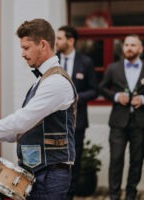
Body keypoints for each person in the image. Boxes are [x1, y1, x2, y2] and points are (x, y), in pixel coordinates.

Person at [0, 18, 77, 200]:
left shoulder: (56, 82)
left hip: (49, 175)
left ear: (43, 45)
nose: (22, 53)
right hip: (37, 173)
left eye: (26, 48)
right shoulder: (43, 80)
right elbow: (21, 131)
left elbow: (21, 122)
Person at [55, 25, 98, 200]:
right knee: (56, 162)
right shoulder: (53, 61)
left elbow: (94, 90)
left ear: (71, 40)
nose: (56, 42)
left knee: (74, 162)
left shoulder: (85, 62)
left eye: (59, 38)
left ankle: (69, 196)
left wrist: (77, 96)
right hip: (55, 121)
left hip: (77, 122)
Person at [99, 34, 144, 200]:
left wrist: (143, 99)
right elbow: (102, 88)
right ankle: (115, 196)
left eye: (133, 45)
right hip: (118, 122)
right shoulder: (113, 68)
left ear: (140, 49)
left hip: (140, 123)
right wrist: (117, 96)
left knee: (137, 161)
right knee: (116, 160)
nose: (129, 48)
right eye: (126, 44)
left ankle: (131, 195)